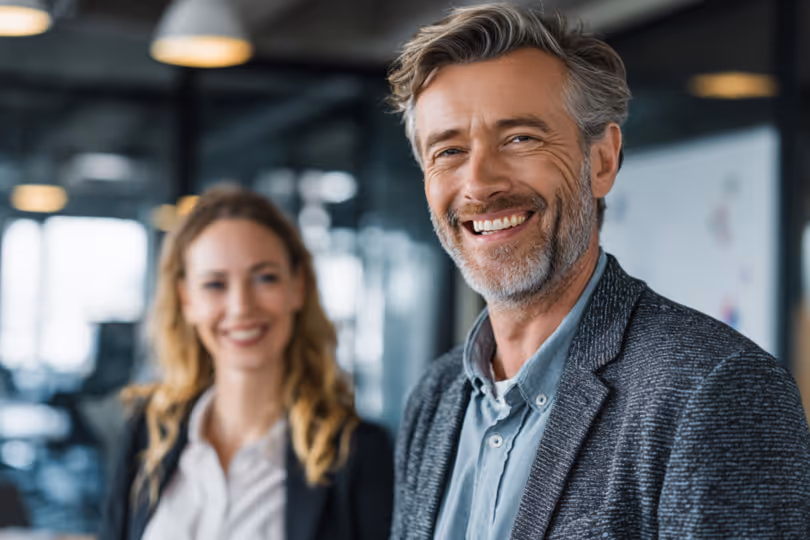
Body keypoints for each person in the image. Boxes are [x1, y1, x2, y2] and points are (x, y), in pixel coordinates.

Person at [386, 4, 810, 539]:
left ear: (602, 160)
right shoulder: (436, 396)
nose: (478, 184)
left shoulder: (714, 390)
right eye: (448, 150)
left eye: (520, 138)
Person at [99, 187, 393, 540]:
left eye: (264, 277)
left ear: (297, 286)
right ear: (186, 300)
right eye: (215, 284)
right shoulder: (148, 432)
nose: (241, 306)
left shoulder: (357, 451)